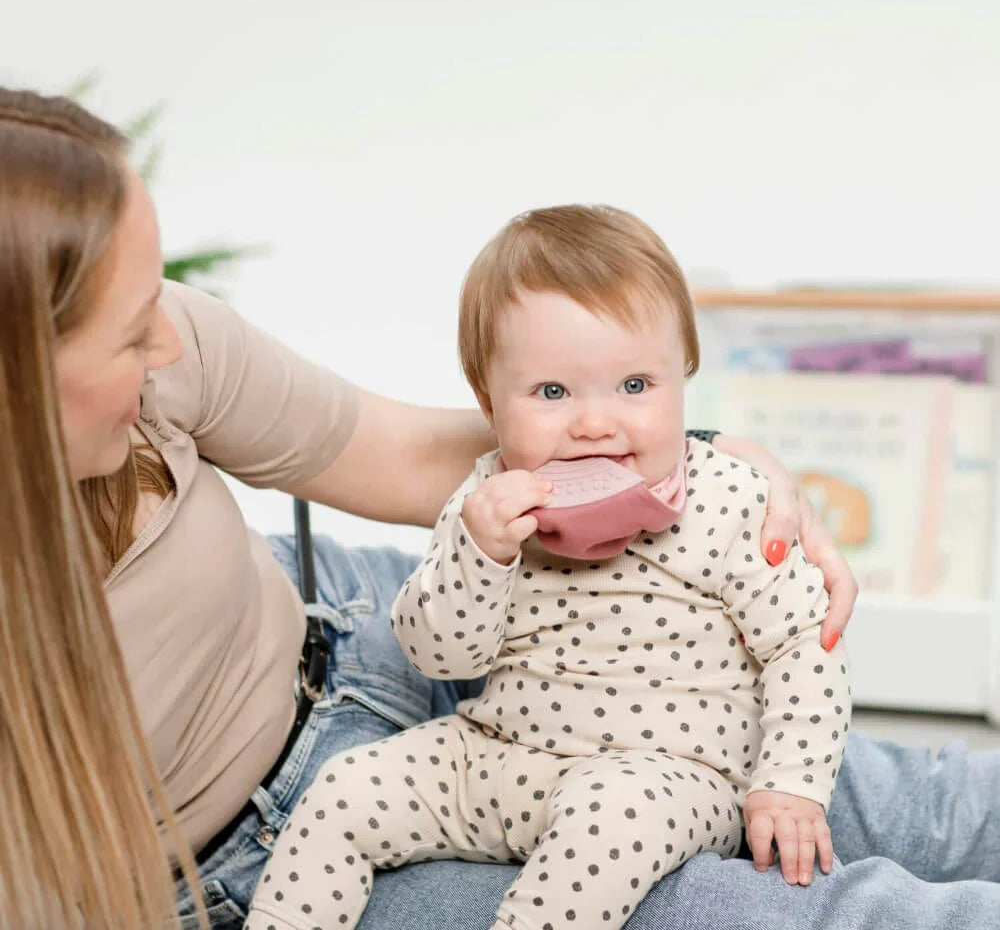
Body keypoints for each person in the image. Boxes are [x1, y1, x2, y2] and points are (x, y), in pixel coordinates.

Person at [0, 87, 995, 930]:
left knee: (905, 801)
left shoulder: (174, 356)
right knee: (768, 907)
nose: (167, 347)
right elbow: (446, 637)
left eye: (642, 383)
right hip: (351, 797)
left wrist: (701, 457)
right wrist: (483, 541)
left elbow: (382, 448)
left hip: (362, 648)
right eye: (132, 334)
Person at [244, 205, 852, 930]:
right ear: (489, 404)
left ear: (683, 378)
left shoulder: (727, 497)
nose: (595, 424)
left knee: (608, 820)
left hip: (666, 780)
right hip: (495, 755)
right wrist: (481, 552)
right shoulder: (484, 500)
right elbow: (439, 655)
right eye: (553, 393)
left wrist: (788, 784)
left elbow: (804, 644)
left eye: (635, 386)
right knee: (341, 789)